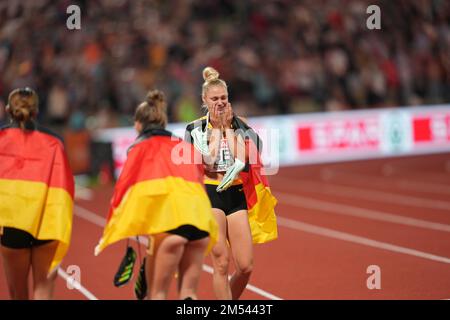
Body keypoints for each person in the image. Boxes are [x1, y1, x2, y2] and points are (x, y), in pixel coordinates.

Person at [95, 89, 218, 300]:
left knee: (157, 294)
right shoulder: (184, 145)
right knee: (189, 293)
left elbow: (125, 189)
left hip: (170, 226)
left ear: (137, 125)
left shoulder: (138, 148)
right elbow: (208, 171)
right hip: (200, 222)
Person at [185, 67, 278, 300]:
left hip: (236, 194)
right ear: (204, 100)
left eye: (224, 98)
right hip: (210, 194)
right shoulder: (195, 129)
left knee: (245, 266)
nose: (220, 103)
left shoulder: (241, 125)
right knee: (221, 263)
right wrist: (215, 130)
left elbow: (243, 159)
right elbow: (205, 162)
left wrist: (226, 128)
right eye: (214, 99)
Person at [0, 87, 74, 300]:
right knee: (43, 291)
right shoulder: (55, 141)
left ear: (7, 110)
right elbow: (65, 187)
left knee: (17, 294)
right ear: (37, 111)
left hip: (14, 226)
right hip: (47, 224)